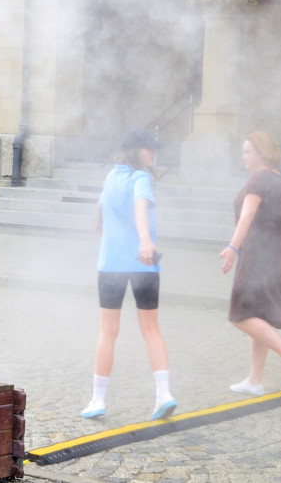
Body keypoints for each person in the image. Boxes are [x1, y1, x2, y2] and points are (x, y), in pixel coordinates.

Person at [81, 129, 177, 421]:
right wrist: (145, 240)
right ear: (137, 151)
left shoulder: (111, 177)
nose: (154, 154)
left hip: (110, 264)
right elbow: (140, 206)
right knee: (151, 329)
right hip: (143, 262)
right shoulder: (140, 178)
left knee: (107, 331)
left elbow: (99, 207)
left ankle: (98, 400)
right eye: (150, 149)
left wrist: (100, 225)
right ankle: (164, 395)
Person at [217, 131, 281, 396]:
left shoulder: (259, 179)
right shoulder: (279, 180)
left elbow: (246, 216)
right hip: (277, 255)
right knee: (258, 315)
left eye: (247, 151)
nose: (242, 156)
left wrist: (233, 247)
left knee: (241, 315)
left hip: (259, 256)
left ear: (260, 153)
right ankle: (255, 381)